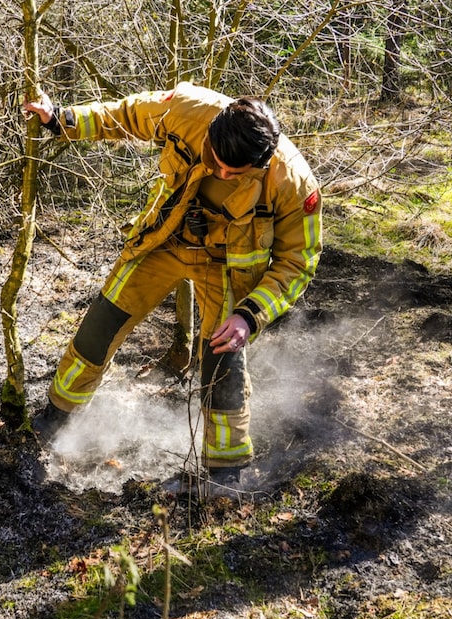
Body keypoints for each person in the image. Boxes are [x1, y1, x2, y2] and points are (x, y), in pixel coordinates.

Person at [24, 82, 322, 487]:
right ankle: (54, 420)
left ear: (263, 160)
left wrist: (248, 318)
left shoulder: (295, 183)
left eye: (235, 174)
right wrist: (60, 118)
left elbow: (298, 263)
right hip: (164, 240)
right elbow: (125, 115)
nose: (221, 174)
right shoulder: (187, 109)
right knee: (101, 325)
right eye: (217, 163)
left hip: (226, 269)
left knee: (223, 364)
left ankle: (225, 473)